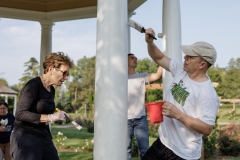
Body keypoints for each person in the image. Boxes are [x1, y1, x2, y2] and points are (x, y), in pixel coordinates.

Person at [142, 29, 220, 160]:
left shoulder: (207, 93)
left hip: (183, 154)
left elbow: (207, 129)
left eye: (190, 57)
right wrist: (150, 43)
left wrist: (178, 115)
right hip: (163, 143)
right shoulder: (181, 69)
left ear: (202, 64)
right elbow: (159, 58)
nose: (185, 57)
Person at [10, 52, 74, 160]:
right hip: (26, 137)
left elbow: (44, 115)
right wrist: (50, 117)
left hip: (43, 137)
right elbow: (20, 114)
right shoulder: (33, 85)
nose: (66, 77)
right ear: (51, 69)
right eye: (64, 73)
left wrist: (50, 141)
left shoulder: (51, 90)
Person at [128, 53, 162, 160]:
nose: (135, 59)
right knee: (125, 151)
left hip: (140, 119)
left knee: (145, 150)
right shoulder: (120, 78)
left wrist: (162, 59)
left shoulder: (142, 76)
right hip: (124, 120)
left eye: (136, 58)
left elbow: (157, 75)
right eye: (132, 58)